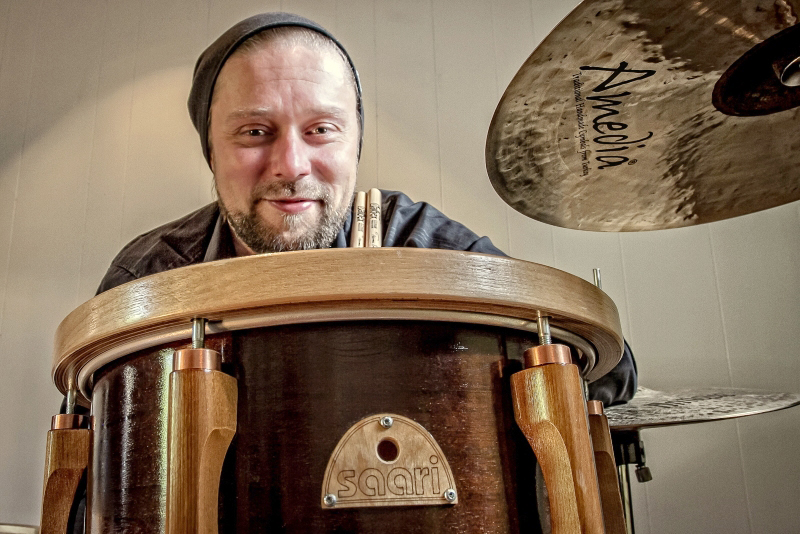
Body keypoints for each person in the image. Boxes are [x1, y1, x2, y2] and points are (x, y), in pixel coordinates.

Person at [93, 12, 636, 405]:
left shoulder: (422, 243)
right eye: (254, 132)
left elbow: (609, 370)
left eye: (321, 130)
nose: (291, 165)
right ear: (209, 149)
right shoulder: (147, 278)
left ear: (355, 144)